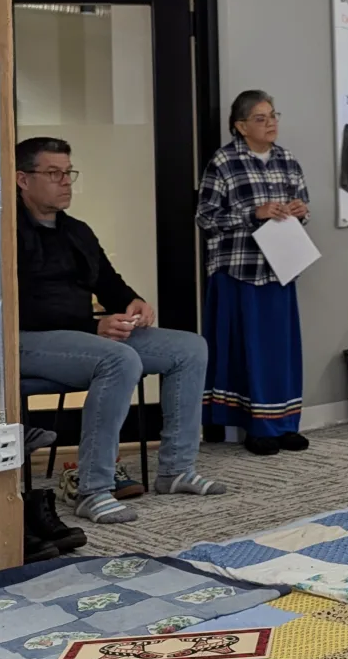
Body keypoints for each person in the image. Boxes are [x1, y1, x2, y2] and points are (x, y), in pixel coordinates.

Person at [16, 137, 225, 525]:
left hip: (82, 337)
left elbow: (109, 283)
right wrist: (94, 325)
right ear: (22, 180)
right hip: (24, 340)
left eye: (69, 173)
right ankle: (94, 489)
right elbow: (20, 306)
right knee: (118, 359)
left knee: (189, 348)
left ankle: (175, 470)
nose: (66, 182)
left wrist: (134, 302)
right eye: (54, 173)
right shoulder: (7, 232)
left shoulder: (76, 231)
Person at [197, 90, 310, 456]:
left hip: (280, 267)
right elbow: (205, 218)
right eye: (261, 118)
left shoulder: (288, 160)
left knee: (282, 351)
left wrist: (298, 211)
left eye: (273, 115)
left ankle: (285, 423)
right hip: (238, 271)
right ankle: (255, 427)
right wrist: (253, 214)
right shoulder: (224, 161)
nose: (271, 123)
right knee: (248, 351)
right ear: (241, 126)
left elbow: (304, 209)